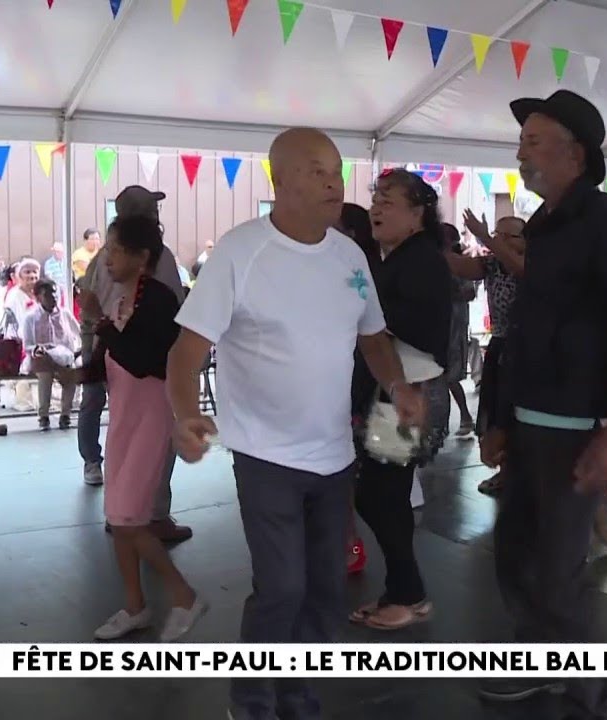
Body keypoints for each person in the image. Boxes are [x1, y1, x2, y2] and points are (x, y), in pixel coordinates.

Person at [168, 128, 423, 720]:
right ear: (280, 182)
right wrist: (185, 415)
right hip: (265, 456)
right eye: (315, 170)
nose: (333, 180)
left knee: (327, 591)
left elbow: (374, 338)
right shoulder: (240, 251)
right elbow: (185, 354)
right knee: (282, 588)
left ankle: (300, 698)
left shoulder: (350, 256)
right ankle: (252, 701)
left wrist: (399, 385)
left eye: (335, 169)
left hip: (334, 458)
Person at [479, 90, 607, 719]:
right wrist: (501, 418)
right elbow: (531, 324)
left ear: (574, 154)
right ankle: (537, 663)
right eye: (522, 140)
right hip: (529, 420)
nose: (521, 151)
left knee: (558, 570)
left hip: (577, 426)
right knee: (514, 552)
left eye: (533, 139)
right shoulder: (544, 225)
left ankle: (589, 693)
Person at [90, 214, 205, 642]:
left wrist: (101, 326)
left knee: (129, 520)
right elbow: (110, 359)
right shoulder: (121, 297)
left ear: (142, 257)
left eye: (116, 249)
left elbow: (145, 362)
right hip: (124, 418)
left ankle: (182, 593)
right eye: (108, 248)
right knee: (120, 516)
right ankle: (135, 605)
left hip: (150, 416)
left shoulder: (157, 302)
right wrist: (70, 373)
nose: (108, 257)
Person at [347, 169, 453, 631]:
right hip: (394, 392)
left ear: (417, 213)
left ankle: (408, 593)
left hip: (408, 393)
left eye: (388, 201)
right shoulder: (397, 257)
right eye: (376, 199)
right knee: (380, 496)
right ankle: (403, 589)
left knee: (382, 496)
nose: (377, 208)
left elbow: (415, 325)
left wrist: (365, 314)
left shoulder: (422, 259)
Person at [74, 187, 191, 544]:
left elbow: (91, 302)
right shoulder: (158, 259)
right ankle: (149, 514)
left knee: (123, 436)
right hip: (145, 366)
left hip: (117, 358)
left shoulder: (102, 262)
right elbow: (172, 313)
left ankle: (123, 510)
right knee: (152, 442)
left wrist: (95, 343)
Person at [444, 213, 525, 497]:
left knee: (514, 412)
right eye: (497, 234)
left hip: (527, 349)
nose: (499, 241)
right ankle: (505, 471)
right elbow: (461, 266)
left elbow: (520, 269)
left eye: (508, 236)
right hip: (501, 344)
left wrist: (485, 236)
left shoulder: (531, 264)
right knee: (497, 409)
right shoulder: (492, 263)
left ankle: (516, 473)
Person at [334, 202, 377, 576]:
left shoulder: (358, 269)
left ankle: (348, 541)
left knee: (348, 470)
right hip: (339, 386)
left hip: (353, 385)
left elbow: (370, 338)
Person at [21, 278, 81, 431]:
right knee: (45, 375)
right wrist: (38, 350)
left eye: (55, 293)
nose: (53, 297)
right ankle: (44, 416)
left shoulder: (65, 315)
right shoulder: (30, 318)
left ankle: (65, 414)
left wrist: (76, 352)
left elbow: (79, 333)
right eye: (47, 295)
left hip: (64, 357)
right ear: (38, 297)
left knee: (72, 374)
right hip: (42, 359)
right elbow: (28, 345)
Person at [440, 224, 476, 438]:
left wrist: (451, 291)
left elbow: (469, 292)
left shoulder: (460, 265)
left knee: (450, 376)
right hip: (442, 323)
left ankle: (464, 416)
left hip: (454, 324)